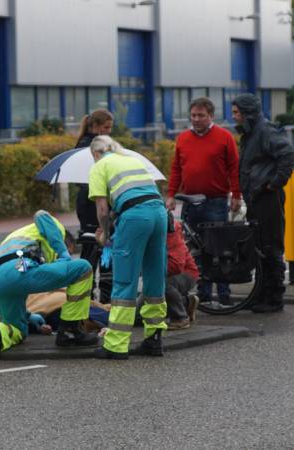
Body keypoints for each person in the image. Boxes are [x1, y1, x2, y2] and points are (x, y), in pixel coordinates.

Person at [89, 135, 168, 360]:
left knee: (125, 280)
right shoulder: (132, 159)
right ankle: (154, 339)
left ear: (95, 154)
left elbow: (103, 210)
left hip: (135, 218)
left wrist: (104, 233)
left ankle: (116, 345)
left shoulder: (99, 166)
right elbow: (135, 195)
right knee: (155, 277)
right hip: (159, 213)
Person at [0, 210, 96, 359]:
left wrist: (28, 316)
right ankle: (70, 331)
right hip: (20, 266)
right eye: (70, 252)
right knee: (83, 268)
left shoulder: (23, 236)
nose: (68, 258)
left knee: (18, 329)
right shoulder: (56, 229)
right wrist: (63, 253)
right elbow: (41, 214)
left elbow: (17, 279)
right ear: (66, 241)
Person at [166, 97, 241, 306]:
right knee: (192, 251)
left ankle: (224, 296)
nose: (196, 119)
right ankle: (203, 296)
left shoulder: (224, 137)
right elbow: (176, 169)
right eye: (193, 116)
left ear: (211, 116)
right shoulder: (182, 139)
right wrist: (171, 195)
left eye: (201, 116)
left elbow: (234, 168)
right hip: (189, 202)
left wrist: (236, 194)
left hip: (215, 201)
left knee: (219, 250)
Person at [231, 94, 294, 313]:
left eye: (236, 112)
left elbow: (288, 153)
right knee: (258, 247)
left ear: (247, 112)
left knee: (270, 246)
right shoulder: (251, 133)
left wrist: (274, 183)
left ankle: (274, 298)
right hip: (258, 197)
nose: (234, 116)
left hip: (267, 198)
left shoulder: (264, 131)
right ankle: (260, 294)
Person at [74, 109, 115, 304]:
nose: (109, 132)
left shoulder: (86, 144)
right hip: (94, 204)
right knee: (100, 248)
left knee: (92, 251)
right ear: (96, 127)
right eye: (106, 128)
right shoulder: (91, 147)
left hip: (87, 202)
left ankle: (87, 297)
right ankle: (103, 300)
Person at [164, 217, 200, 330]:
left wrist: (151, 270)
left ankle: (180, 318)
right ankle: (187, 302)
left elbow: (176, 265)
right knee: (138, 317)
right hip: (168, 273)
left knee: (161, 283)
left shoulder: (171, 231)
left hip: (186, 273)